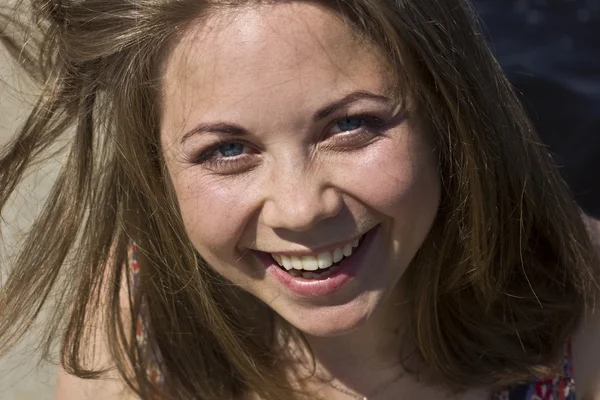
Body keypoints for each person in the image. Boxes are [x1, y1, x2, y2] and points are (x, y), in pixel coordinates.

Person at [0, 1, 599, 399]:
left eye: (350, 125)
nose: (299, 209)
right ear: (157, 171)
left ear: (448, 114)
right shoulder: (140, 317)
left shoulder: (577, 296)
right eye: (227, 148)